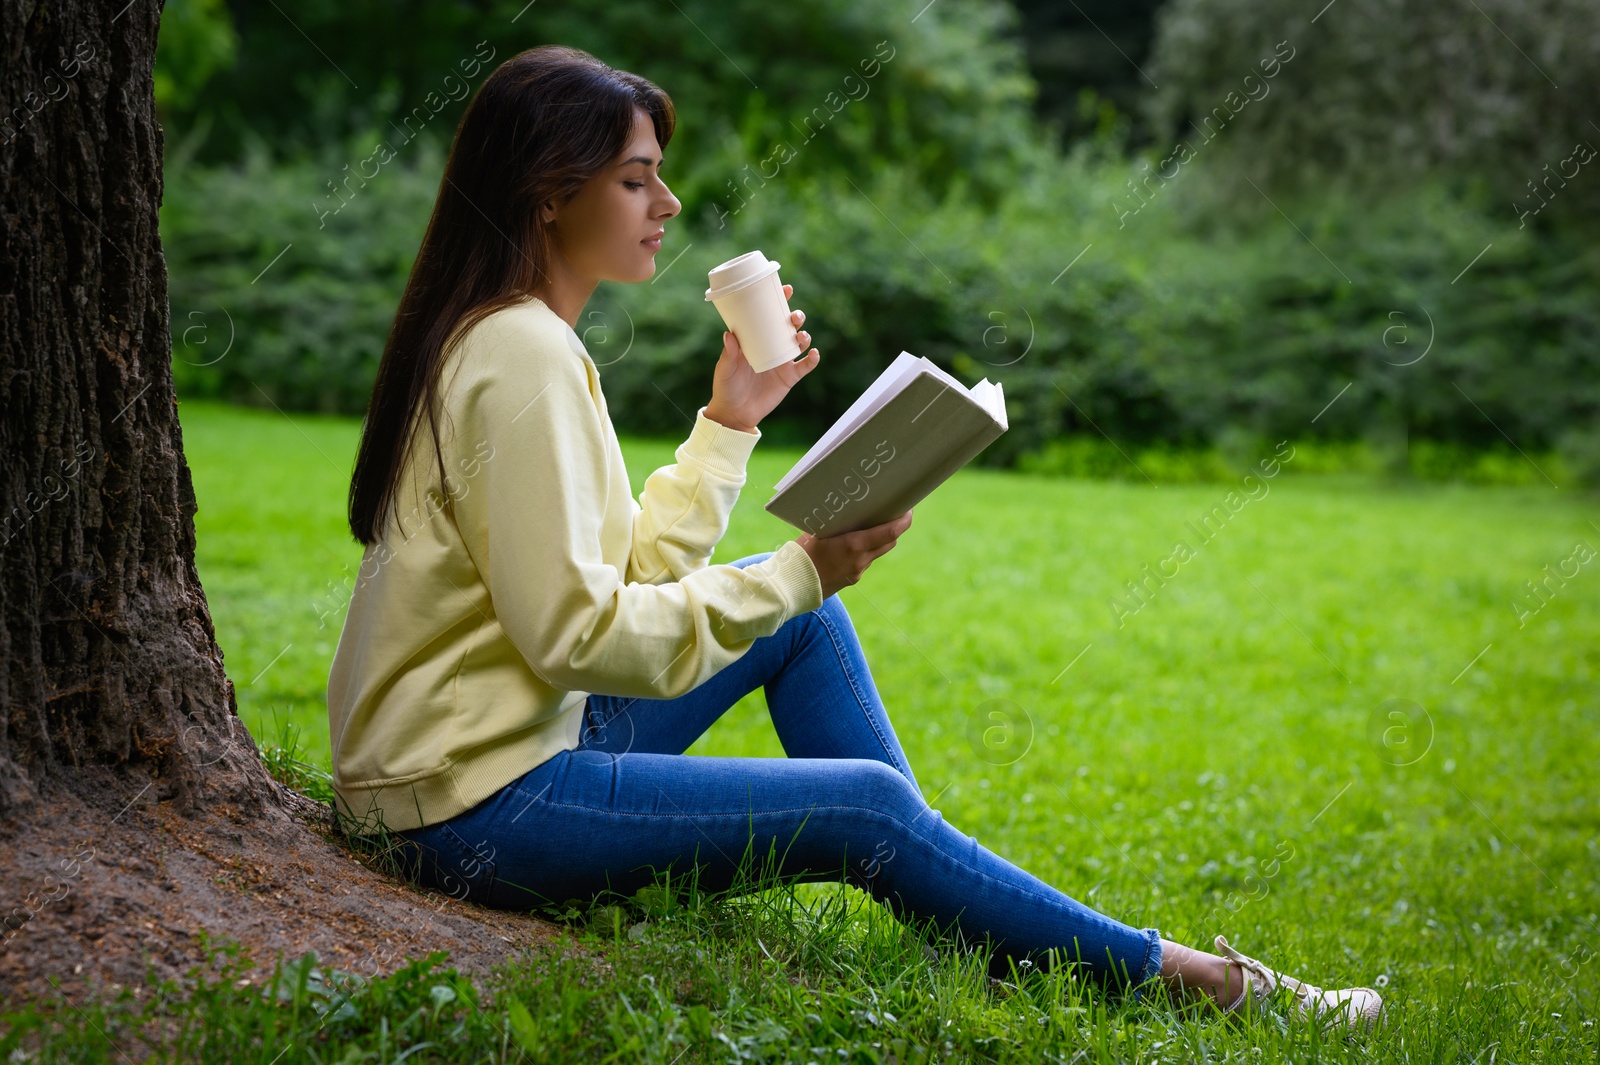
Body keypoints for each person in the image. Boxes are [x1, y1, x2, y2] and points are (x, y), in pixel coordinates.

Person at [327, 44, 1382, 1030]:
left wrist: (730, 419)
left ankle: (954, 906)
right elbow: (575, 636)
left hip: (496, 760)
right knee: (862, 799)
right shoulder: (522, 356)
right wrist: (796, 569)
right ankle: (1196, 980)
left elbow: (629, 581)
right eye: (635, 179)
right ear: (550, 192)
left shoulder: (525, 338)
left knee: (805, 630)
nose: (669, 203)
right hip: (467, 810)